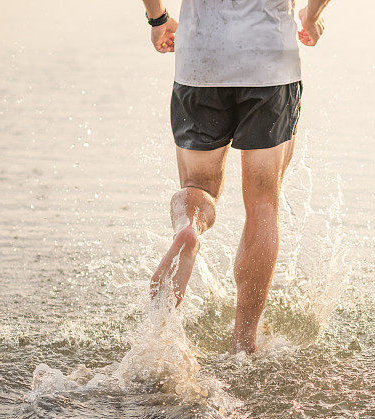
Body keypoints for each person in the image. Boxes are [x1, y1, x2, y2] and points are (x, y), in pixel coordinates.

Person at [141, 0, 331, 353]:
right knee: (263, 204)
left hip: (201, 61)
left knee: (198, 187)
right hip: (271, 64)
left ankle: (190, 228)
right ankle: (243, 342)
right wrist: (312, 16)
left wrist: (158, 18)